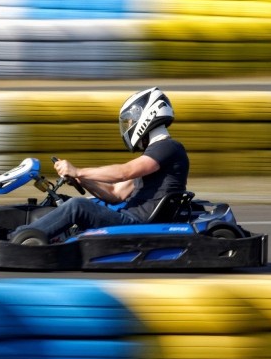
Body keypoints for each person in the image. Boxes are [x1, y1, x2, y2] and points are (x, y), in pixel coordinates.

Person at [10, 87, 190, 246]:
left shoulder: (168, 147)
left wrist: (78, 170)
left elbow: (124, 172)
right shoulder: (154, 157)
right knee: (65, 201)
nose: (129, 126)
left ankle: (21, 238)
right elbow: (115, 194)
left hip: (137, 223)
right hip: (129, 216)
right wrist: (82, 179)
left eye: (131, 121)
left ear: (147, 115)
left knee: (77, 206)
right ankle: (23, 232)